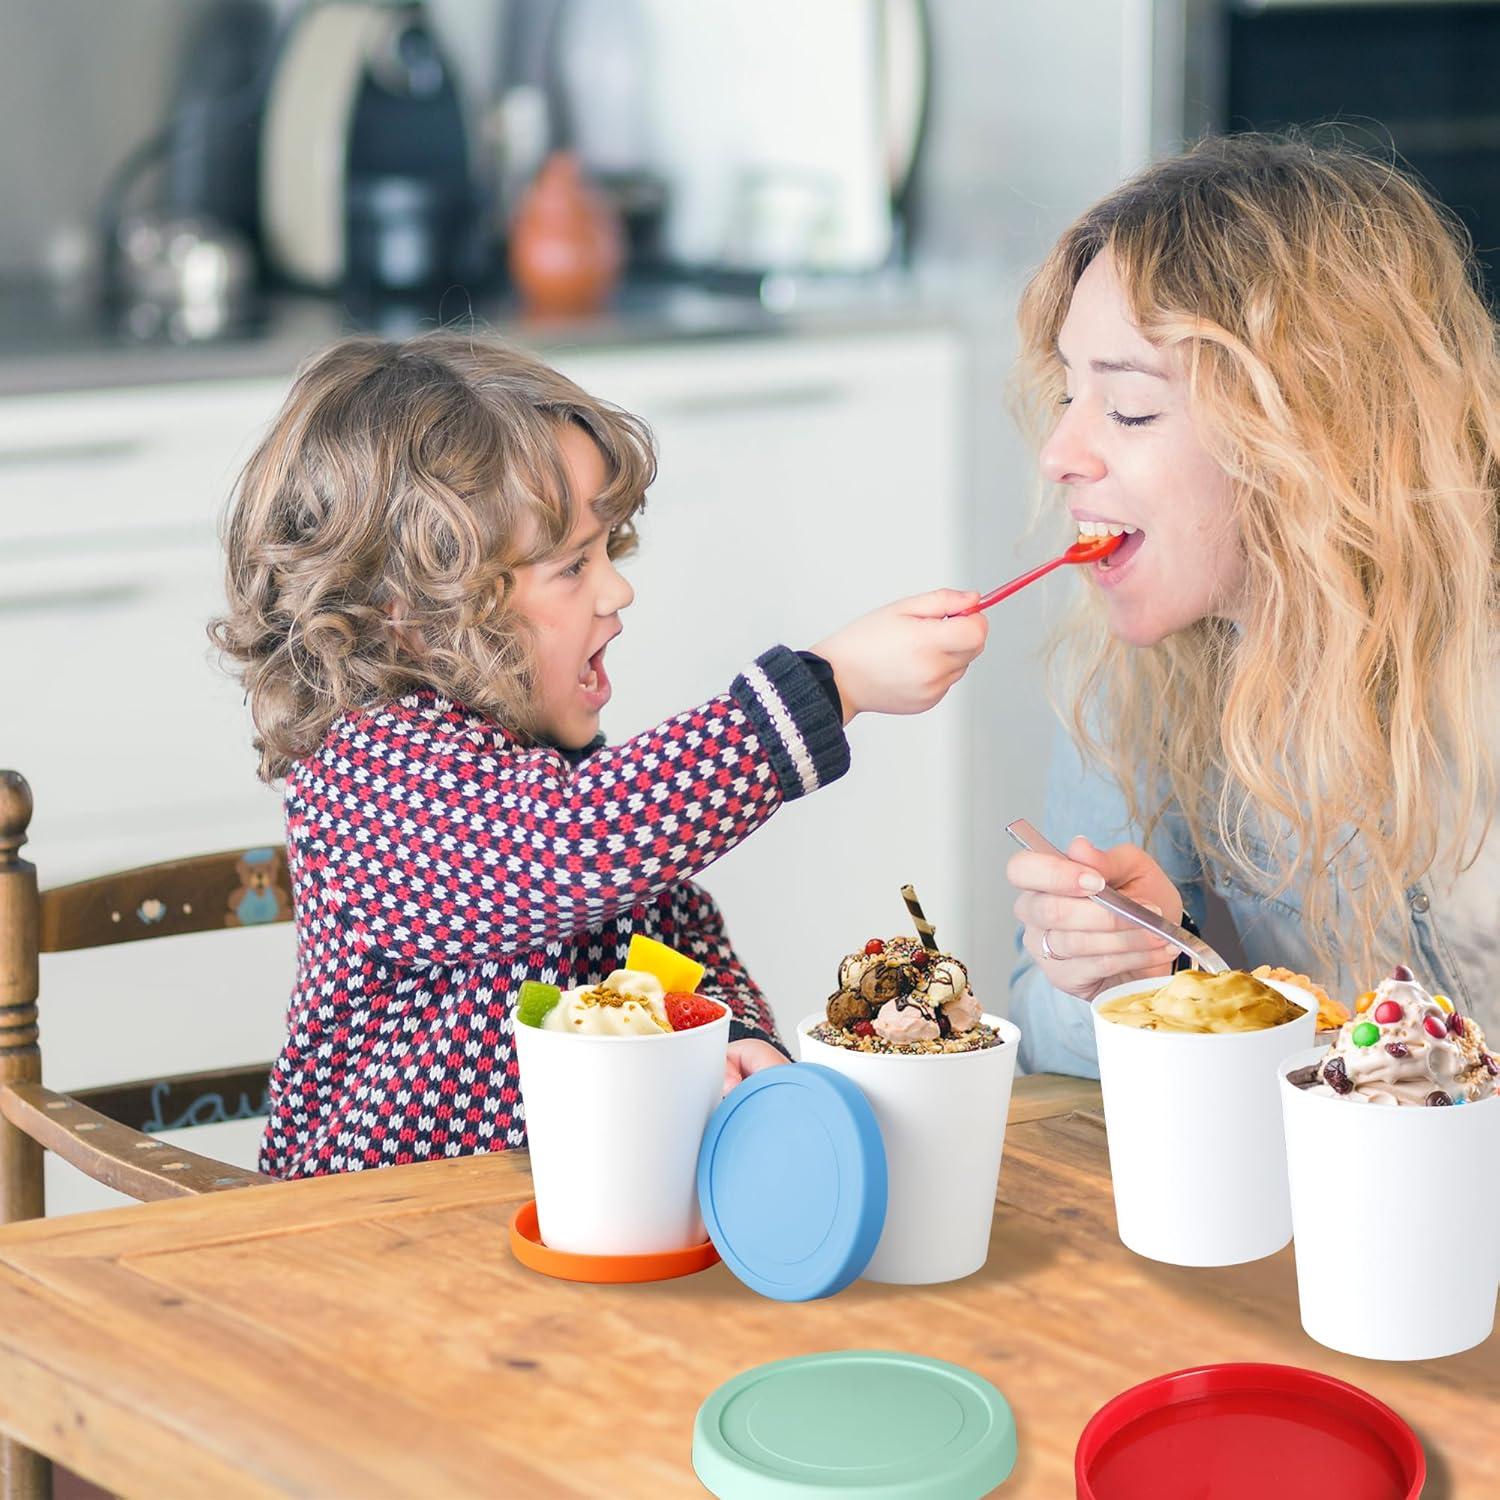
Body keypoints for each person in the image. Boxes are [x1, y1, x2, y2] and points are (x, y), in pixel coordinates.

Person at [212, 332, 987, 1175]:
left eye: (607, 553)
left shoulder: (560, 775)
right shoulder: (371, 773)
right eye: (573, 566)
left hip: (577, 1220)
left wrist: (733, 1037)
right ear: (417, 614)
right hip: (370, 1240)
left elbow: (675, 944)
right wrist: (824, 689)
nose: (618, 590)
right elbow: (568, 845)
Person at [1005, 133, 1500, 1076]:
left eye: (1132, 408)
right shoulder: (1128, 679)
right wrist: (1142, 976)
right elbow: (1040, 1032)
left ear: (1312, 424)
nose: (1059, 452)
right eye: (1068, 395)